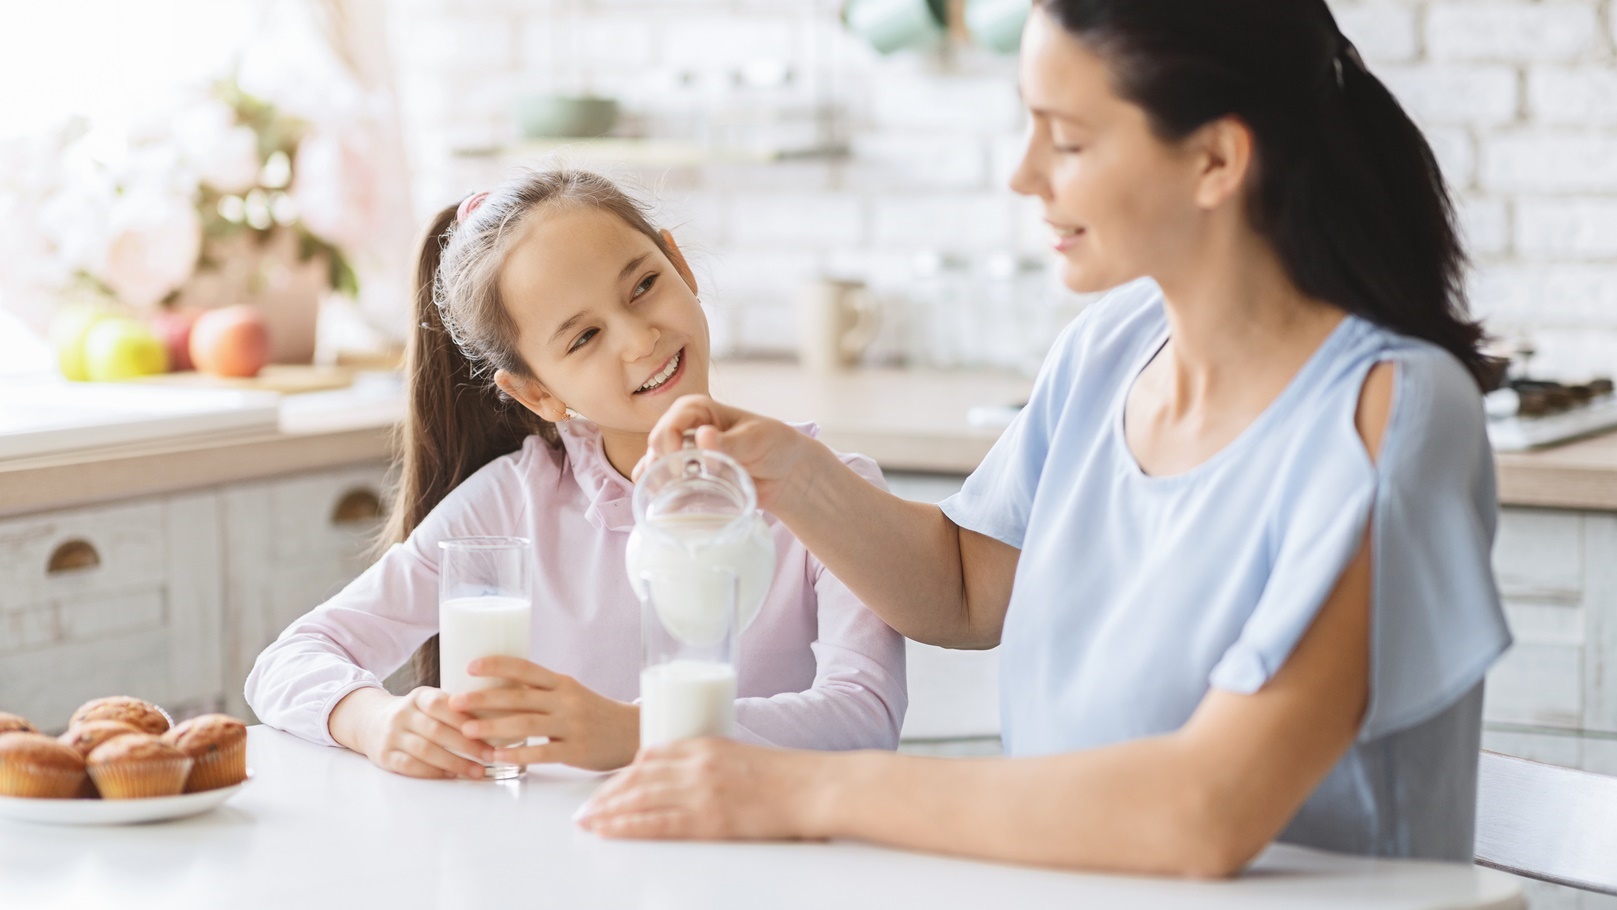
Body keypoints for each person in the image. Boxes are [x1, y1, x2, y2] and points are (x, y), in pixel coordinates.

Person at [575, 0, 1512, 877]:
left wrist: (804, 788)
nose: (1023, 175)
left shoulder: (1389, 411)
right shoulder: (1112, 344)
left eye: (1066, 140)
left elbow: (1208, 810)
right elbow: (964, 590)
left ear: (1215, 161)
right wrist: (790, 472)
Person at [245, 169, 905, 777]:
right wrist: (376, 720)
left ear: (679, 263)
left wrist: (639, 732)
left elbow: (863, 717)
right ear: (538, 394)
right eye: (583, 337)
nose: (636, 338)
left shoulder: (828, 494)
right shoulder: (510, 505)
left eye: (643, 284)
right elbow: (288, 661)